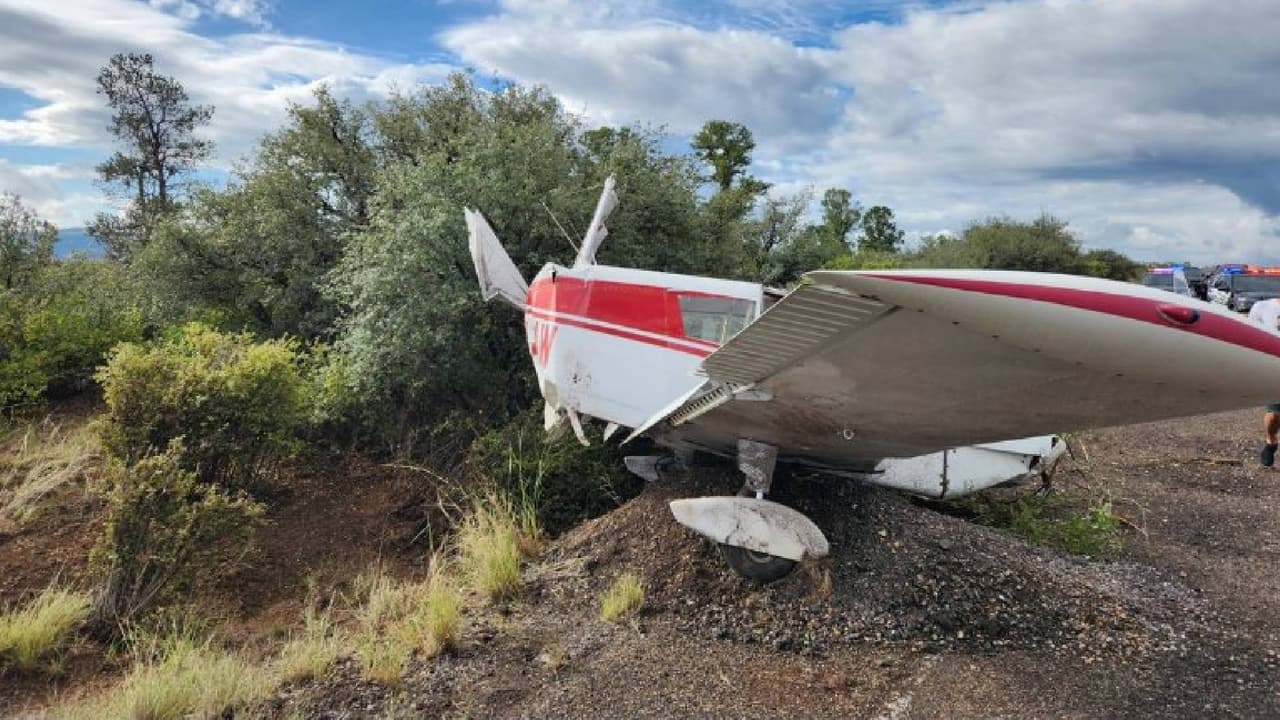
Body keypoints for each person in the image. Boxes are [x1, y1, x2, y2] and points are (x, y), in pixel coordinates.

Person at [1248, 297, 1280, 466]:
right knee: (1274, 416)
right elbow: (1250, 335)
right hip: (1275, 368)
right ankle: (1271, 440)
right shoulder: (1262, 307)